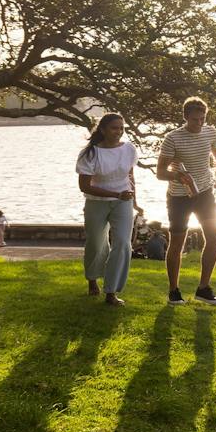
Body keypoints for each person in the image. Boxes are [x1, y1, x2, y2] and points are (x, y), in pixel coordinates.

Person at [157, 97, 216, 305]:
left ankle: (203, 289)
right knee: (177, 242)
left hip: (204, 193)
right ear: (185, 117)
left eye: (202, 119)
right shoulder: (173, 138)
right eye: (195, 120)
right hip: (179, 197)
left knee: (214, 237)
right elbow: (160, 173)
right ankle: (174, 291)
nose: (199, 123)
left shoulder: (211, 132)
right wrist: (179, 176)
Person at [76, 112, 137, 305]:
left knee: (122, 244)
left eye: (121, 128)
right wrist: (115, 194)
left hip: (123, 202)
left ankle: (111, 292)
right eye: (114, 128)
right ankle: (92, 279)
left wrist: (134, 201)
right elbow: (84, 186)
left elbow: (130, 176)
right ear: (102, 129)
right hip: (96, 202)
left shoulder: (129, 149)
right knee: (96, 242)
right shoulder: (91, 153)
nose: (118, 132)